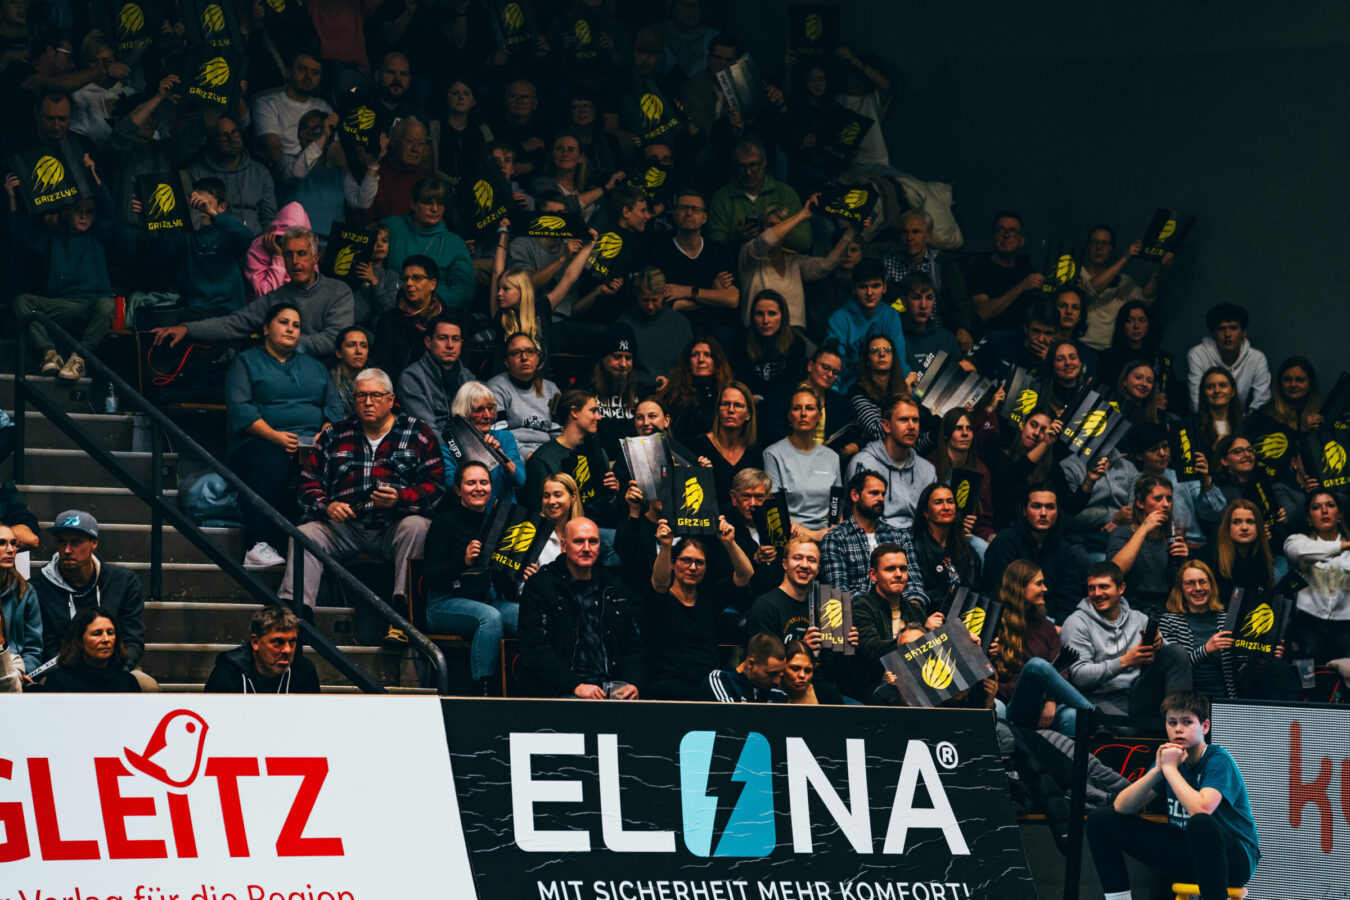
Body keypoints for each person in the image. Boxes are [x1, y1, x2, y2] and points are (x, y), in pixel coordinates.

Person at [282, 368, 442, 639]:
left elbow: (436, 487)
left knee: (417, 527)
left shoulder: (417, 432)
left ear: (391, 399)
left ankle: (404, 620)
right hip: (344, 527)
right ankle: (296, 618)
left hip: (394, 526)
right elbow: (307, 484)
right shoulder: (335, 434)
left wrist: (400, 498)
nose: (368, 402)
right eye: (361, 396)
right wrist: (327, 506)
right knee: (304, 534)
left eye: (375, 396)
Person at [1086, 691, 1259, 900]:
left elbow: (1202, 809)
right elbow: (1122, 806)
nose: (1178, 729)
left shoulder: (1217, 759)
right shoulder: (1169, 761)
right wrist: (1158, 770)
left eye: (1186, 722)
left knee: (1200, 823)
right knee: (1101, 820)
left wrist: (1170, 769)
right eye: (1172, 722)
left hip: (1235, 861)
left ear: (1205, 726)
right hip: (1191, 855)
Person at [226, 303, 344, 567]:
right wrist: (275, 436)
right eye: (283, 322)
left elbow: (334, 410)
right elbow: (240, 408)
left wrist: (323, 435)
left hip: (312, 443)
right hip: (260, 441)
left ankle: (335, 542)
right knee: (271, 458)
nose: (291, 329)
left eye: (296, 325)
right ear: (266, 328)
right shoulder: (246, 361)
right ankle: (256, 544)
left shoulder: (315, 367)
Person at [152, 227, 355, 358]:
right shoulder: (277, 297)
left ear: (315, 257)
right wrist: (187, 329)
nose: (295, 261)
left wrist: (283, 342)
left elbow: (335, 338)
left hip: (323, 371)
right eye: (289, 255)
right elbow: (234, 323)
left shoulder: (338, 292)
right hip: (283, 370)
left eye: (302, 254)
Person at [8, 154, 118, 381]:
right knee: (21, 301)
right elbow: (21, 238)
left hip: (92, 305)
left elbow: (108, 209)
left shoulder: (97, 235)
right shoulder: (53, 238)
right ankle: (50, 354)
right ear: (67, 212)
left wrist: (93, 174)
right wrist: (11, 198)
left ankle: (79, 359)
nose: (84, 216)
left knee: (109, 304)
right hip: (62, 305)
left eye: (89, 212)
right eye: (78, 210)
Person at [518, 518, 644, 698]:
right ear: (564, 546)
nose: (586, 548)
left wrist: (632, 682)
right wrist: (574, 685)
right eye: (578, 541)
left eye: (593, 541)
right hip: (563, 689)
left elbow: (632, 644)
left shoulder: (614, 587)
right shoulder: (541, 586)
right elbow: (534, 649)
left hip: (612, 689)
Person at [421, 463, 517, 693]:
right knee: (490, 617)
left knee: (529, 614)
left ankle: (534, 685)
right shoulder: (444, 522)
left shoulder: (496, 523)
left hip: (487, 599)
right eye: (471, 483)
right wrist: (463, 562)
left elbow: (501, 583)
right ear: (458, 489)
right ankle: (482, 691)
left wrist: (516, 572)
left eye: (484, 482)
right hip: (444, 602)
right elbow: (431, 577)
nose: (478, 488)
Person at [1060, 562, 1193, 718]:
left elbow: (1174, 660)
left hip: (1137, 693)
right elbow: (1079, 676)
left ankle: (1180, 721)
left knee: (1176, 651)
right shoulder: (1076, 623)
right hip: (1098, 698)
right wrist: (1124, 661)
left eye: (1103, 587)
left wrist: (1159, 645)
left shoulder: (1139, 619)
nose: (1097, 593)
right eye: (1092, 588)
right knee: (1126, 727)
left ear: (1121, 588)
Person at [645, 514, 753, 700]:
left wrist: (729, 543)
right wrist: (666, 546)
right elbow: (660, 582)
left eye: (699, 562)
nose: (693, 567)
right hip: (669, 685)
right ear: (673, 564)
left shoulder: (710, 597)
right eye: (686, 560)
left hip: (708, 684)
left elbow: (745, 574)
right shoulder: (660, 599)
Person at [34, 510, 144, 674]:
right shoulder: (39, 587)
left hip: (115, 668)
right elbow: (47, 646)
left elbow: (132, 640)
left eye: (76, 542)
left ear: (93, 543)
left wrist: (117, 672)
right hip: (63, 671)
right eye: (62, 542)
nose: (67, 550)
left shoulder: (124, 582)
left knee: (146, 685)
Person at [992, 561, 1091, 736]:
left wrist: (1051, 701)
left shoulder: (1045, 627)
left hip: (1043, 702)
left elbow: (1061, 670)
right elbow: (987, 681)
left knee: (1071, 715)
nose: (1045, 589)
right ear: (1020, 587)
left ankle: (1080, 740)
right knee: (1036, 665)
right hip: (1011, 706)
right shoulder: (994, 623)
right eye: (1039, 583)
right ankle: (1092, 713)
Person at [737, 195, 858, 333]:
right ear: (761, 229)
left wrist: (851, 232)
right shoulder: (749, 255)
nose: (778, 230)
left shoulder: (795, 262)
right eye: (771, 225)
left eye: (781, 225)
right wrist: (803, 214)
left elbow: (826, 265)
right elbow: (766, 240)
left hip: (794, 336)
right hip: (757, 334)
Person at [851, 542, 945, 700]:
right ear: (873, 575)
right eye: (890, 569)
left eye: (903, 568)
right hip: (874, 687)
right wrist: (919, 640)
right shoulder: (862, 607)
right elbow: (872, 648)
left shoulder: (915, 610)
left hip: (916, 686)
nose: (899, 574)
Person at [649, 186, 740, 347]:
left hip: (716, 330)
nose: (689, 213)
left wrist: (688, 291)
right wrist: (713, 294)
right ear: (674, 214)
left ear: (704, 218)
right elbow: (668, 305)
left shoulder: (719, 251)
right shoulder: (659, 254)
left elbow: (732, 299)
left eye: (695, 209)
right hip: (675, 329)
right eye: (683, 208)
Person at [983, 485, 1089, 623]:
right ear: (1024, 511)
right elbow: (1000, 592)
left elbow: (1069, 597)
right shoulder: (1004, 543)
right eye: (1036, 506)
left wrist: (1060, 625)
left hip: (1055, 623)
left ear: (1057, 512)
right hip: (1011, 619)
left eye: (1050, 507)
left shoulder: (1064, 549)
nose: (1043, 513)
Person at [820, 469, 926, 601]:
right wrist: (880, 606)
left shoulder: (899, 536)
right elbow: (838, 592)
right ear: (855, 495)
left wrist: (913, 607)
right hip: (858, 611)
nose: (881, 498)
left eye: (883, 494)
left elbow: (915, 585)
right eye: (874, 493)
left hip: (901, 609)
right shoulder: (836, 539)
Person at [882, 210, 973, 351]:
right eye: (905, 232)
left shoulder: (942, 263)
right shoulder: (888, 264)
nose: (909, 237)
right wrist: (904, 303)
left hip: (939, 335)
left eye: (916, 232)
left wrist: (963, 328)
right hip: (901, 337)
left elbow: (960, 301)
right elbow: (884, 307)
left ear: (928, 236)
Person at [524, 388, 620, 519]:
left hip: (598, 525)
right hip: (562, 528)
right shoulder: (542, 460)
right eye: (593, 411)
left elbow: (608, 508)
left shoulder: (598, 452)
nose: (599, 417)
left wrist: (613, 493)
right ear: (574, 412)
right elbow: (538, 512)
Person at [382, 177, 475, 309]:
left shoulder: (454, 243)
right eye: (427, 203)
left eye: (440, 203)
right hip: (390, 306)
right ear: (413, 204)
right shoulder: (391, 227)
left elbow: (465, 290)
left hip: (435, 311)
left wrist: (428, 302)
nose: (434, 209)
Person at [845, 395, 935, 531]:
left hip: (917, 537)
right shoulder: (863, 464)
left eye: (915, 420)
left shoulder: (927, 469)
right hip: (878, 537)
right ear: (886, 426)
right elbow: (858, 521)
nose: (911, 426)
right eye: (904, 420)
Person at [707, 136, 809, 254]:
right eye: (742, 166)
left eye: (753, 165)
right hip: (738, 262)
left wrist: (776, 232)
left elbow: (805, 241)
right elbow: (714, 248)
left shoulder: (785, 193)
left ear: (764, 163)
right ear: (735, 166)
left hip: (780, 261)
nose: (748, 172)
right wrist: (736, 239)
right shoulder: (721, 198)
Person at [1076, 223, 1171, 351]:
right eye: (1094, 242)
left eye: (1105, 243)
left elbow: (1145, 298)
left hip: (1111, 349)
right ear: (1087, 246)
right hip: (1080, 346)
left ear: (1113, 249)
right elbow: (1091, 289)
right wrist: (1125, 258)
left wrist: (1159, 271)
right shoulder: (1076, 274)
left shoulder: (1123, 281)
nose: (1099, 247)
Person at [762, 387, 841, 540]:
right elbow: (774, 511)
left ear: (819, 416)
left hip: (827, 538)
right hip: (790, 538)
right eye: (797, 408)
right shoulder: (773, 454)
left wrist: (834, 536)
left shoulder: (832, 457)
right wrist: (813, 535)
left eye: (809, 408)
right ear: (789, 416)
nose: (803, 414)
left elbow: (837, 509)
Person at [1283, 490, 1350, 664]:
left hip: (1346, 626)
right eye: (1316, 507)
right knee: (1307, 662)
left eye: (1330, 505)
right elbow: (1298, 553)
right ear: (1308, 518)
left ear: (1339, 514)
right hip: (1308, 623)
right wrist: (1343, 546)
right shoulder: (1297, 541)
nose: (1324, 511)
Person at [1158, 561, 1241, 700]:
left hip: (1223, 698)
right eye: (1190, 583)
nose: (1198, 588)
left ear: (1211, 585)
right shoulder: (1170, 621)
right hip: (1186, 701)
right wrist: (1206, 650)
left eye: (1203, 582)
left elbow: (1240, 664)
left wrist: (1262, 656)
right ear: (1180, 589)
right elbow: (1175, 670)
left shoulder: (1228, 620)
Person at [825, 259, 909, 392]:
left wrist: (909, 394)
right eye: (863, 287)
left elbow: (899, 361)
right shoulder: (839, 319)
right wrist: (834, 398)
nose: (870, 293)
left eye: (875, 286)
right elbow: (833, 365)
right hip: (847, 392)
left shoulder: (890, 315)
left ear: (884, 287)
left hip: (883, 390)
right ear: (854, 289)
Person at [1107, 475, 1190, 610]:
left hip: (1167, 606)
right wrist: (1144, 528)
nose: (1166, 504)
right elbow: (1114, 572)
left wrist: (1184, 561)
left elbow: (1181, 584)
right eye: (1158, 498)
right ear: (1140, 503)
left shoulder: (1172, 536)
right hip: (1132, 607)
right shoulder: (1123, 532)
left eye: (1169, 499)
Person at [187, 116, 278, 236]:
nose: (231, 139)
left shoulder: (260, 171)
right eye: (224, 135)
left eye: (234, 132)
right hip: (214, 240)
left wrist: (264, 242)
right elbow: (191, 217)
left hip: (254, 240)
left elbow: (268, 217)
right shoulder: (196, 172)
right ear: (212, 141)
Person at [204, 604, 320, 693]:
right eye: (278, 642)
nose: (288, 650)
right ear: (255, 642)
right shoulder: (230, 671)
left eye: (292, 641)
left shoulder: (304, 671)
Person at [442, 382, 525, 504]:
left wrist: (499, 454)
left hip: (502, 511)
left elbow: (520, 480)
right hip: (469, 511)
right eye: (479, 409)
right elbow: (453, 486)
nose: (487, 415)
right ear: (463, 413)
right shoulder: (449, 446)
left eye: (490, 408)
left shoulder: (505, 438)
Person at [616, 267, 695, 394]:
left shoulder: (680, 324)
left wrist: (672, 384)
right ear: (637, 295)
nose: (650, 306)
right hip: (633, 392)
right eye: (645, 300)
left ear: (663, 294)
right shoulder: (624, 325)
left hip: (672, 391)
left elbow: (688, 367)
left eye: (655, 300)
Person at [396, 312, 475, 437]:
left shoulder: (468, 378)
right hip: (431, 445)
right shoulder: (411, 378)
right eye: (443, 338)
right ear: (428, 342)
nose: (450, 345)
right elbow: (426, 429)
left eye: (455, 339)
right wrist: (456, 450)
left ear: (461, 343)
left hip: (467, 443)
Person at [252, 50, 331, 172]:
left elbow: (334, 148)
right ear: (288, 72)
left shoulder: (323, 106)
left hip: (320, 170)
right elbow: (274, 153)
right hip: (286, 171)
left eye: (315, 73)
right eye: (302, 69)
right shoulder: (266, 103)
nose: (309, 76)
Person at [371, 255, 446, 381]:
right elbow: (381, 360)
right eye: (405, 279)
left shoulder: (448, 321)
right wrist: (407, 383)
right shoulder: (389, 320)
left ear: (432, 284)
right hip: (398, 386)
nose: (409, 283)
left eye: (417, 278)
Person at [1186, 303, 1271, 413]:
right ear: (1213, 333)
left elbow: (1262, 399)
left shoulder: (1257, 358)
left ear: (1244, 333)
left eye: (1233, 328)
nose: (1227, 334)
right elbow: (1196, 400)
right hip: (1206, 420)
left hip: (1243, 421)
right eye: (1221, 329)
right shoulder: (1198, 354)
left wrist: (1249, 420)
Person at [487, 333, 561, 459]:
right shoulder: (495, 388)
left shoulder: (552, 390)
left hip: (547, 453)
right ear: (506, 362)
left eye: (530, 351)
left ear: (537, 358)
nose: (524, 357)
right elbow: (499, 435)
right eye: (516, 353)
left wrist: (553, 457)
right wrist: (527, 455)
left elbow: (558, 432)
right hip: (513, 454)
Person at [968, 211, 1043, 335]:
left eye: (1013, 231)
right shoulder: (980, 267)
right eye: (1000, 230)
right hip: (991, 337)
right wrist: (1020, 288)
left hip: (1024, 338)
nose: (1007, 235)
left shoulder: (1026, 269)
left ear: (1021, 240)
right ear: (992, 238)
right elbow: (983, 312)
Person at [687, 381, 763, 503]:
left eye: (738, 405)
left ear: (748, 414)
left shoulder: (754, 450)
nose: (731, 410)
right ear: (718, 410)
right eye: (725, 404)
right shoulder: (699, 446)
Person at [928, 407, 996, 541]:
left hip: (967, 536)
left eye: (969, 428)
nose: (965, 433)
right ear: (947, 434)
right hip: (934, 532)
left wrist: (991, 538)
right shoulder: (931, 465)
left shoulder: (980, 470)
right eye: (958, 428)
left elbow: (984, 521)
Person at [909, 483, 979, 607]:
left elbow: (976, 588)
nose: (946, 507)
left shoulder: (965, 548)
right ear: (925, 512)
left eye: (950, 502)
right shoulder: (916, 549)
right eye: (938, 502)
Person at [40, 606, 140, 693]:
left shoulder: (128, 682)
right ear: (79, 640)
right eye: (97, 634)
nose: (106, 639)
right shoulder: (58, 682)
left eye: (110, 633)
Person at [745, 537, 823, 647]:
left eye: (811, 560)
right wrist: (803, 648)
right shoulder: (765, 607)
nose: (804, 565)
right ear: (785, 564)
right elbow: (763, 657)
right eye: (797, 558)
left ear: (817, 569)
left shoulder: (822, 608)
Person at [656, 336, 734, 442]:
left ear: (716, 361)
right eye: (695, 355)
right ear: (688, 362)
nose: (701, 360)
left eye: (707, 355)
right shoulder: (674, 394)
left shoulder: (728, 393)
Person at [1198, 500, 1274, 601]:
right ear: (1228, 527)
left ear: (1258, 527)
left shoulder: (1262, 557)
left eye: (1250, 522)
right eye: (1237, 522)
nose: (1244, 527)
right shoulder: (1209, 555)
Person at [737, 290, 806, 399]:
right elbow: (740, 383)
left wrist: (764, 398)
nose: (765, 320)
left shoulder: (796, 343)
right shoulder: (742, 342)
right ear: (752, 317)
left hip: (784, 403)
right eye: (759, 314)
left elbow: (792, 385)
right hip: (749, 403)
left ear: (782, 316)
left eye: (772, 313)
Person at [846, 333, 911, 445]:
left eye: (887, 350)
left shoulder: (898, 389)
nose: (882, 354)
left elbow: (914, 438)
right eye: (875, 350)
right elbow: (878, 432)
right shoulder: (857, 391)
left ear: (893, 358)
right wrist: (904, 398)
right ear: (867, 360)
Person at [0, 523, 41, 680]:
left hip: (16, 671)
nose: (11, 550)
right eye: (2, 543)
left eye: (13, 543)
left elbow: (33, 648)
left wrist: (24, 672)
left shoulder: (25, 591)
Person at [701, 631, 789, 703]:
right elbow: (731, 717)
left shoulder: (778, 695)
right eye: (772, 674)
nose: (777, 681)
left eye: (780, 674)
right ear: (751, 664)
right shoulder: (723, 680)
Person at [899, 272, 961, 373]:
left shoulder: (946, 339)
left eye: (929, 298)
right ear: (903, 300)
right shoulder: (893, 337)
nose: (923, 305)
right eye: (916, 297)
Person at [1259, 355, 1324, 433]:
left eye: (1300, 380)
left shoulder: (1321, 413)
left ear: (1311, 384)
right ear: (1280, 383)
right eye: (1287, 380)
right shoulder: (1266, 414)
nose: (1293, 385)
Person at [1191, 367, 1245, 452]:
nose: (1217, 390)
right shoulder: (1193, 426)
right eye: (1210, 387)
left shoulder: (1245, 424)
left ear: (1233, 391)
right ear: (1203, 392)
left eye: (1223, 386)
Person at [782, 640, 844, 704]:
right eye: (795, 669)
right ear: (782, 668)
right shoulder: (775, 695)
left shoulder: (828, 693)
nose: (802, 675)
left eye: (808, 671)